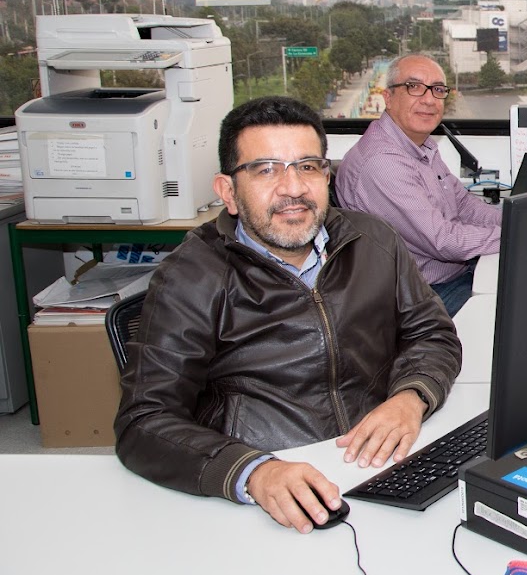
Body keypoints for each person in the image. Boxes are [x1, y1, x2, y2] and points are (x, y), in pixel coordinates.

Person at [114, 96, 464, 532]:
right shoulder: (191, 277)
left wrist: (411, 397)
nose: (293, 188)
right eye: (266, 170)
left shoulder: (374, 241)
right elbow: (143, 420)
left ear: (327, 177)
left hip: (380, 465)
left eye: (308, 166)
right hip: (271, 491)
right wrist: (252, 471)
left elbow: (432, 333)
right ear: (228, 192)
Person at [335, 55, 500, 315]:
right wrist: (514, 235)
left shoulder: (420, 146)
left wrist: (517, 221)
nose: (429, 100)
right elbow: (444, 241)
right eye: (414, 87)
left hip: (448, 276)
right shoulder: (383, 163)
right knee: (521, 306)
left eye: (437, 89)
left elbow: (464, 205)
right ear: (388, 98)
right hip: (420, 296)